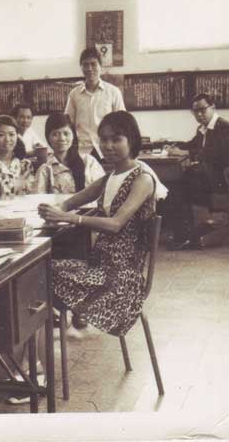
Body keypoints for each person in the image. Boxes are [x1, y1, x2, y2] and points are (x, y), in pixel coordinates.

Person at [37, 111, 158, 336]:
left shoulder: (142, 178)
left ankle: (40, 355)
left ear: (131, 140)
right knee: (35, 272)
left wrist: (70, 217)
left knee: (37, 275)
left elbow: (115, 224)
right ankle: (42, 353)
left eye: (116, 139)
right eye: (103, 139)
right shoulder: (111, 176)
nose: (108, 145)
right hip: (99, 265)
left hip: (122, 278)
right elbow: (73, 201)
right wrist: (53, 210)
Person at [166, 93, 229, 250]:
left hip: (223, 180)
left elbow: (213, 153)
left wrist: (186, 153)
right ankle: (185, 232)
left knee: (180, 186)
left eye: (202, 110)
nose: (198, 114)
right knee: (179, 182)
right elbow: (194, 144)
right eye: (195, 111)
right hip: (208, 176)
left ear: (213, 107)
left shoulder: (224, 127)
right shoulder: (203, 128)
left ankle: (185, 234)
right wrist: (175, 146)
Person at [64, 48, 126, 160]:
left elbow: (122, 124)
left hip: (108, 150)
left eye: (93, 64)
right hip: (82, 152)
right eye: (85, 65)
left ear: (101, 66)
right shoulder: (74, 94)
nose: (89, 68)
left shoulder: (113, 92)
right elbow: (68, 123)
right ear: (81, 68)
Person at [33, 113, 105, 194]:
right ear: (48, 138)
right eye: (55, 134)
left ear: (73, 135)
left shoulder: (89, 162)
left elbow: (103, 192)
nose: (62, 138)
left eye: (66, 134)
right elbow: (38, 201)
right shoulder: (45, 170)